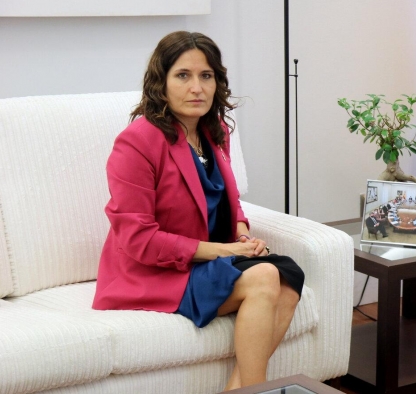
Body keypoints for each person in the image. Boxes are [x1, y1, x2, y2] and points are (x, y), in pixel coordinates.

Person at [92, 31, 304, 391]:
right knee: (265, 277)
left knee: (288, 274)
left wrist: (241, 235)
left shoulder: (214, 129)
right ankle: (257, 389)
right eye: (183, 76)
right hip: (152, 272)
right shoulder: (137, 142)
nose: (197, 88)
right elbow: (139, 240)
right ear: (161, 82)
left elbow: (229, 199)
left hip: (205, 260)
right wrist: (228, 251)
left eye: (206, 76)